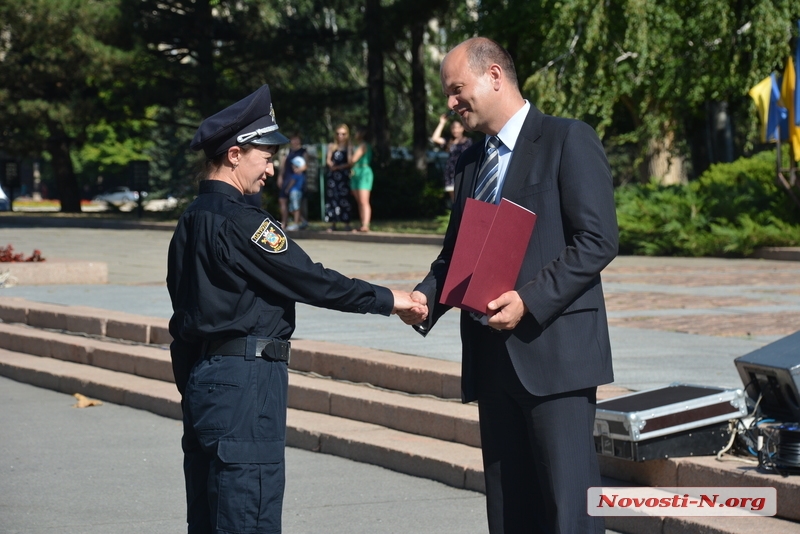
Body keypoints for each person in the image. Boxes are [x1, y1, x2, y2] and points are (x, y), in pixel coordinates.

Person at [166, 85, 423, 534]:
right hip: (247, 384)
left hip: (204, 380)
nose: (271, 168)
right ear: (233, 155)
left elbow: (181, 317)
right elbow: (311, 279)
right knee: (250, 513)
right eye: (265, 156)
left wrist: (197, 383)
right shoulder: (243, 222)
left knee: (208, 518)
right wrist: (389, 299)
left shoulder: (190, 221)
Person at [398, 37, 619, 533]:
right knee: (509, 514)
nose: (451, 103)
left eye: (457, 89)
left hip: (554, 358)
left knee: (570, 513)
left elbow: (597, 240)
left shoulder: (567, 139)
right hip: (492, 363)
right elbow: (457, 253)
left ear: (494, 76)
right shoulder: (472, 161)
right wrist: (425, 299)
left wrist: (530, 300)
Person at [430, 113, 472, 204]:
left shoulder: (468, 142)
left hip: (463, 172)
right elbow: (434, 138)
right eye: (453, 128)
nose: (455, 130)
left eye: (457, 127)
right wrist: (442, 123)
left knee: (464, 200)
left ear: (462, 128)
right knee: (454, 202)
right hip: (450, 173)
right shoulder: (449, 141)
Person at [324, 123, 352, 231]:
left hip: (343, 175)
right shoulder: (332, 146)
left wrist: (339, 167)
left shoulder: (348, 146)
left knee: (344, 198)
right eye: (338, 134)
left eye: (343, 134)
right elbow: (328, 160)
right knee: (332, 198)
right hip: (333, 177)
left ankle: (346, 223)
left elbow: (349, 162)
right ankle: (333, 223)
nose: (340, 136)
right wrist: (331, 165)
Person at [277, 133, 307, 228]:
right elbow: (282, 166)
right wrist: (280, 177)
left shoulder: (303, 151)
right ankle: (284, 222)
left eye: (297, 139)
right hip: (287, 178)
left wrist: (300, 169)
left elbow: (306, 165)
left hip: (296, 181)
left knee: (295, 203)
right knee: (282, 200)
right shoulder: (287, 151)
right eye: (293, 139)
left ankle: (298, 222)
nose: (295, 141)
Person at [349, 126, 374, 232]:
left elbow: (353, 159)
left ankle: (366, 224)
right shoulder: (358, 145)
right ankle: (362, 223)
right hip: (355, 172)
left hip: (364, 172)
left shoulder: (363, 146)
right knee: (359, 201)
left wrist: (349, 150)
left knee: (364, 200)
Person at [282, 155, 306, 231]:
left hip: (295, 192)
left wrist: (287, 189)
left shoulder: (296, 175)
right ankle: (303, 221)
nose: (293, 167)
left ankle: (296, 224)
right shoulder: (301, 175)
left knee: (295, 208)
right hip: (296, 192)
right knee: (293, 209)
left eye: (295, 166)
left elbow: (292, 183)